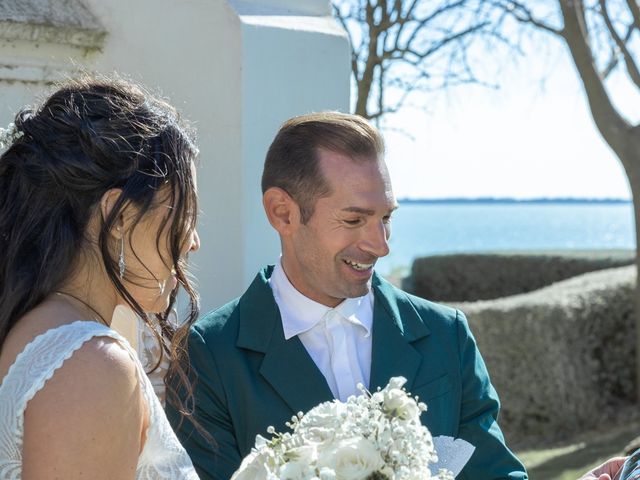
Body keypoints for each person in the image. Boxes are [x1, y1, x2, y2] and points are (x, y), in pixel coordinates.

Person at [167, 111, 528, 479]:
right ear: (282, 213)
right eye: (354, 220)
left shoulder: (446, 335)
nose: (381, 246)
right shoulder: (207, 356)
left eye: (386, 218)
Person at [0, 77, 202, 479]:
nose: (193, 241)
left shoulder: (34, 328)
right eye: (182, 214)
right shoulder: (92, 366)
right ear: (119, 216)